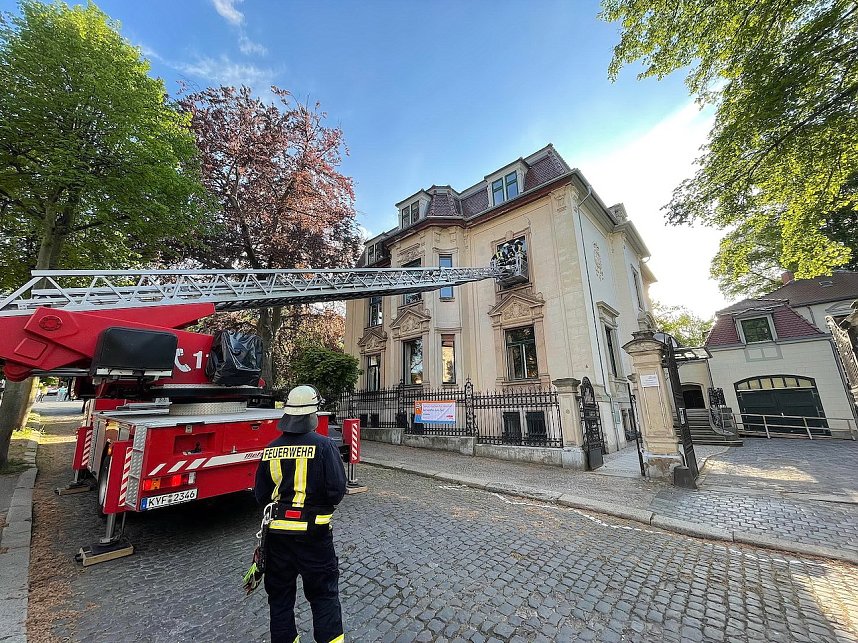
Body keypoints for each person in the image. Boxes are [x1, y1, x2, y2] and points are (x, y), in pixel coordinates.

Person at [254, 385, 347, 643]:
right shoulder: (325, 446)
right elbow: (336, 490)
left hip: (277, 539)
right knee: (324, 595)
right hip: (315, 537)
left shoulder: (271, 449)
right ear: (312, 415)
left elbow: (261, 495)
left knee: (280, 598)